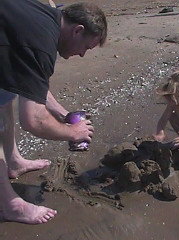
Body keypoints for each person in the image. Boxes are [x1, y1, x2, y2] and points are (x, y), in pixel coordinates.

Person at [0, 0, 107, 224]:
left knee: (5, 93)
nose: (82, 55)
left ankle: (13, 161)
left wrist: (59, 112)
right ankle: (9, 205)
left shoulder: (47, 20)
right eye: (86, 47)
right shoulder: (41, 42)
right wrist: (72, 133)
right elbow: (33, 120)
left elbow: (29, 79)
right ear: (78, 30)